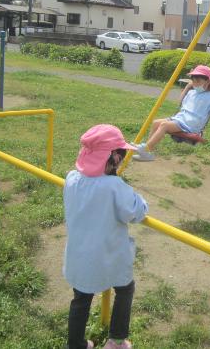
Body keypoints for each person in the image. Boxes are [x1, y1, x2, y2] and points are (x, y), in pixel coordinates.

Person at [64, 124, 148, 349]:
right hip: (109, 254)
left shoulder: (71, 179)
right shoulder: (113, 186)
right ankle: (117, 340)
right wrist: (140, 201)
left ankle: (75, 344)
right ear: (112, 158)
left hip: (79, 255)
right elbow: (135, 212)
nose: (122, 159)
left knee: (81, 300)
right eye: (121, 154)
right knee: (125, 288)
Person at [133, 65, 210, 162]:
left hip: (191, 124)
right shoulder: (192, 92)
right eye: (194, 81)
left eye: (198, 81)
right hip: (181, 118)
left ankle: (145, 149)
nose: (195, 84)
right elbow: (180, 102)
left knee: (164, 125)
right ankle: (148, 151)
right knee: (156, 122)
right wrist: (187, 87)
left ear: (208, 81)